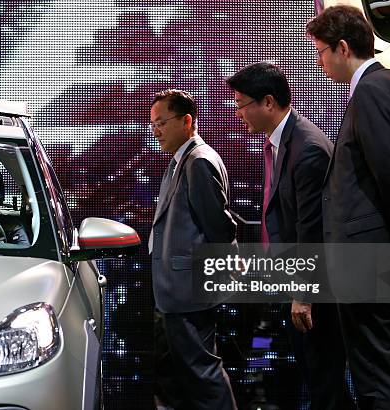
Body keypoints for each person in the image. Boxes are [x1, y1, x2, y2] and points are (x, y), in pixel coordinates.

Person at [306, 6, 390, 409]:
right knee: (380, 368)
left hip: (370, 260)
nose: (320, 61)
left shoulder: (373, 91)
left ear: (343, 48)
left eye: (322, 52)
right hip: (379, 258)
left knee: (376, 375)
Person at [226, 62, 353, 409]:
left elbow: (312, 230)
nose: (237, 113)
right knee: (321, 382)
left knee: (324, 381)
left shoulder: (307, 147)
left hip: (316, 290)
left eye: (240, 104)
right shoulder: (284, 141)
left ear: (268, 102)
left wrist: (303, 294)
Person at [149, 89, 237, 409]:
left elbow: (220, 228)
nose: (155, 130)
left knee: (202, 374)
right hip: (177, 290)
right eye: (153, 125)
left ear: (187, 121)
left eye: (161, 123)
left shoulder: (198, 161)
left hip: (190, 290)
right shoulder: (183, 160)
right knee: (189, 376)